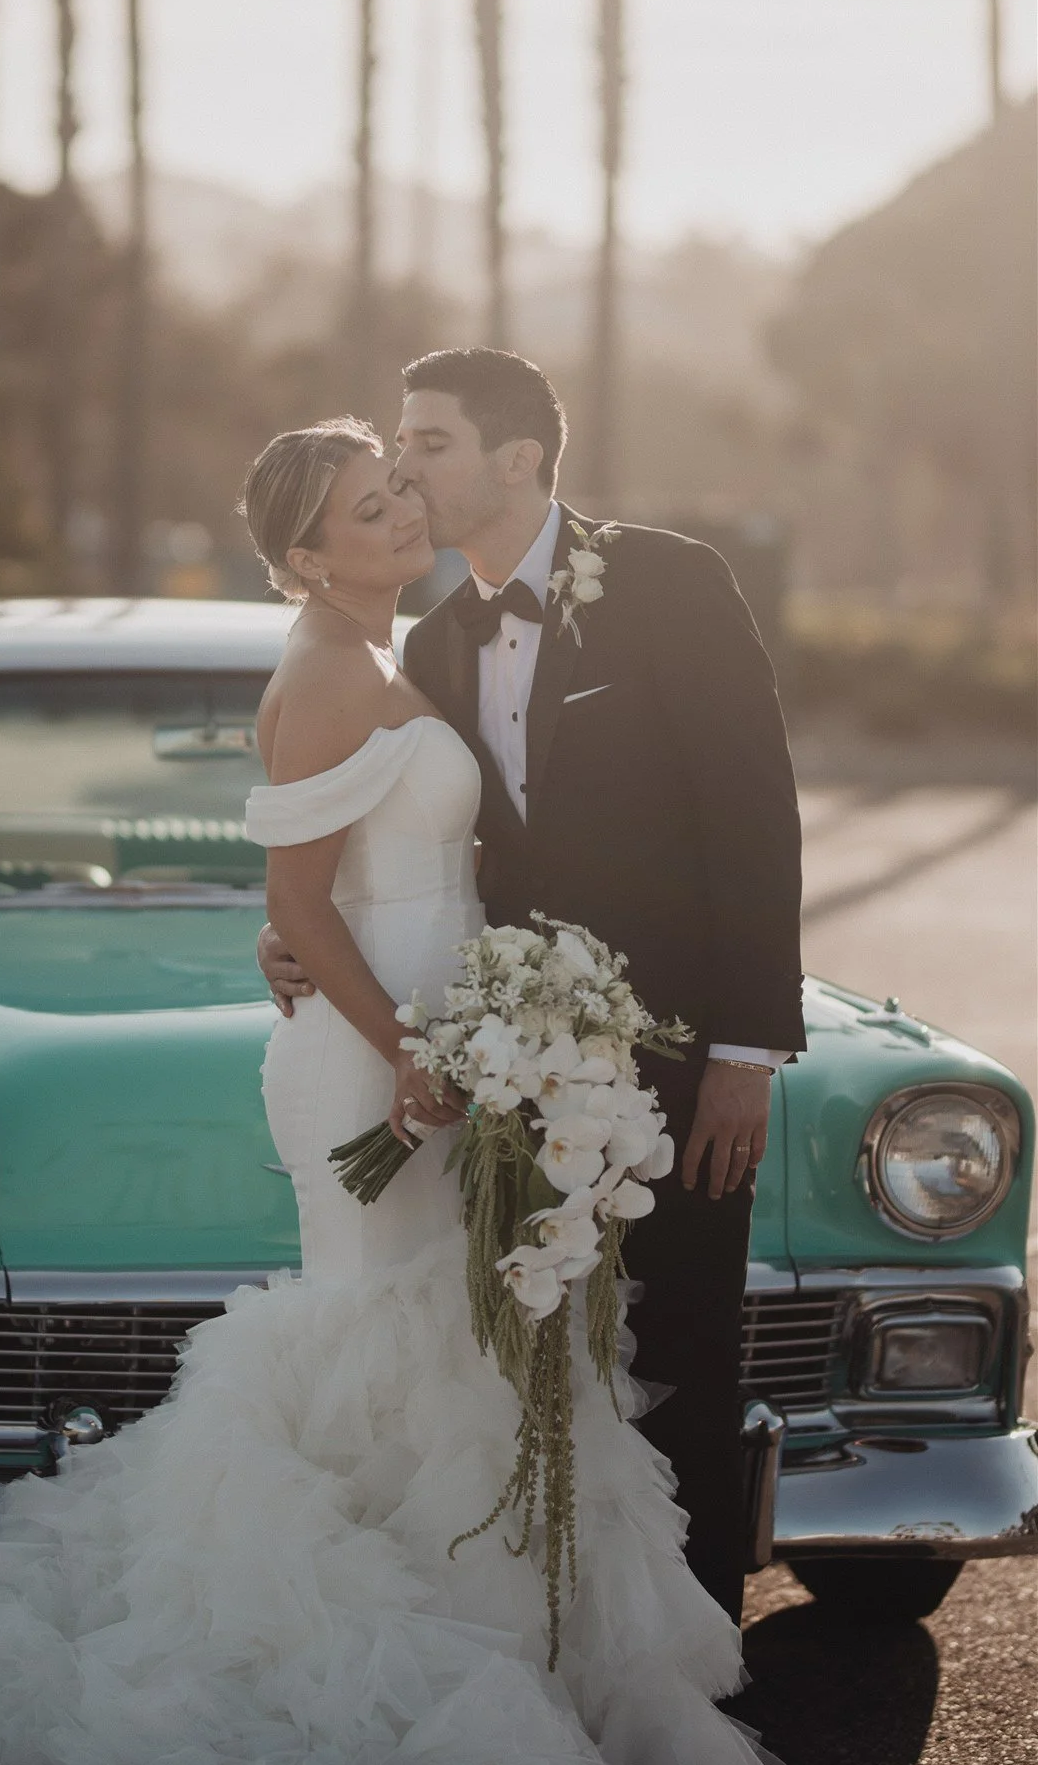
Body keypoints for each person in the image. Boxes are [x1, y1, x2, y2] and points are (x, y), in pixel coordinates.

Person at [0, 418, 782, 1765]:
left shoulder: (407, 646)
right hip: (382, 1059)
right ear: (304, 556)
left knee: (450, 1348)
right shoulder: (324, 671)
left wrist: (468, 1015)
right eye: (367, 509)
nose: (400, 516)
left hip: (441, 1037)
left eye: (399, 491)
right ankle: (371, 1682)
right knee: (392, 1334)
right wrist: (410, 1047)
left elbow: (385, 867)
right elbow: (302, 900)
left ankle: (475, 1653)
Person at [259, 350, 806, 1625]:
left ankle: (696, 1664)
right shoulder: (432, 641)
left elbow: (754, 811)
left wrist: (745, 1051)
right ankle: (568, 1649)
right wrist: (290, 933)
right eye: (397, 446)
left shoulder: (669, 579)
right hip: (504, 1069)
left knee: (680, 1354)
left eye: (428, 443)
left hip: (676, 1055)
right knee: (541, 1368)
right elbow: (378, 832)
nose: (405, 467)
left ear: (519, 458)